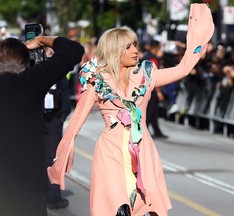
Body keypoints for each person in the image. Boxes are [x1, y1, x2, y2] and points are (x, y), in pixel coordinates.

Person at [48, 3, 214, 216]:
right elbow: (76, 121)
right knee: (116, 209)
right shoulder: (97, 80)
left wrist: (200, 15)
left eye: (135, 45)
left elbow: (183, 68)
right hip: (111, 154)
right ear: (115, 50)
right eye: (128, 47)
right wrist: (60, 160)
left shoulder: (147, 75)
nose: (135, 50)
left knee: (148, 207)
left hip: (143, 151)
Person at [0, 35, 84, 216]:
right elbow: (74, 51)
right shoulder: (30, 82)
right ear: (25, 62)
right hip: (28, 187)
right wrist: (41, 40)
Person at [44, 77, 71, 209]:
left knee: (54, 159)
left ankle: (54, 196)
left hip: (54, 119)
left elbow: (65, 98)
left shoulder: (60, 77)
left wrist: (61, 118)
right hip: (36, 119)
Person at [142, 39, 168, 138]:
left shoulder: (146, 56)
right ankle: (145, 131)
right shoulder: (152, 59)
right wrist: (158, 92)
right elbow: (153, 76)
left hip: (145, 87)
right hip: (152, 89)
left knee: (154, 111)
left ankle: (156, 130)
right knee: (150, 111)